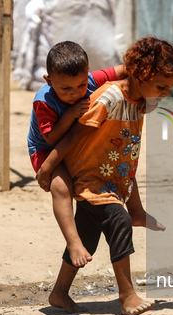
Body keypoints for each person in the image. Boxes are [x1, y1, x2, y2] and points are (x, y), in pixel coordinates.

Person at [36, 36, 173, 315]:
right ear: (141, 76)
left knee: (88, 234)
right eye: (162, 86)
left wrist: (150, 98)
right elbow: (74, 136)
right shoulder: (110, 97)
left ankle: (59, 293)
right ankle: (127, 294)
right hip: (91, 178)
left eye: (170, 88)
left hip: (114, 176)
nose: (166, 93)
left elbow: (143, 99)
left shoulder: (139, 99)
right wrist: (48, 166)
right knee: (119, 221)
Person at [27, 41, 127, 267]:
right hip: (45, 149)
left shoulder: (91, 80)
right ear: (49, 81)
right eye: (65, 89)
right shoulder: (43, 101)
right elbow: (51, 139)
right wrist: (70, 114)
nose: (75, 93)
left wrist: (142, 67)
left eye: (81, 86)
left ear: (88, 73)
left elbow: (123, 70)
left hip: (78, 143)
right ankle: (73, 243)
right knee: (61, 187)